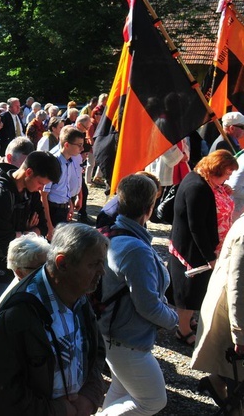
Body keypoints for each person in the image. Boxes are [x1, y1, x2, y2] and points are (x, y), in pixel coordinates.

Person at [0, 223, 107, 415]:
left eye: (102, 263)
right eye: (93, 264)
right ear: (62, 263)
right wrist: (56, 411)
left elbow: (96, 351)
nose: (102, 272)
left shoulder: (78, 294)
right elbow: (1, 392)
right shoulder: (18, 315)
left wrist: (90, 396)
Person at [98, 174, 178, 415]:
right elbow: (148, 306)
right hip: (126, 339)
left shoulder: (114, 234)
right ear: (149, 208)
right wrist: (174, 319)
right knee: (153, 400)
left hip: (114, 334)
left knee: (122, 390)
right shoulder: (135, 249)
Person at [0, 150, 59, 332]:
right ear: (28, 172)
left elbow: (43, 227)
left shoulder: (32, 192)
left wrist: (21, 233)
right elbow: (4, 243)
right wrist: (29, 231)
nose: (42, 189)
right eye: (41, 183)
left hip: (19, 266)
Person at [169, 149, 237, 346]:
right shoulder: (197, 187)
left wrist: (224, 190)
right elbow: (196, 225)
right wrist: (209, 256)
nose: (229, 177)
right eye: (227, 173)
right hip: (193, 250)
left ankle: (188, 321)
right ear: (216, 169)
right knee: (189, 292)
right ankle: (182, 330)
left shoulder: (203, 180)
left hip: (201, 246)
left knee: (196, 290)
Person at [191, 213, 244, 406]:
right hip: (232, 314)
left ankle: (215, 383)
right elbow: (238, 287)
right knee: (236, 374)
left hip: (235, 312)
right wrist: (240, 334)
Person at [41, 125, 85, 239]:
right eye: (79, 145)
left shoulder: (69, 161)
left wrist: (69, 203)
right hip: (53, 211)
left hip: (63, 209)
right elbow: (43, 195)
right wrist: (49, 226)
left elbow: (64, 186)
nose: (82, 149)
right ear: (66, 144)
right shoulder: (54, 163)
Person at [0, 233, 50, 316]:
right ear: (19, 272)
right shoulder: (16, 305)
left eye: (50, 263)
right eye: (41, 267)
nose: (49, 269)